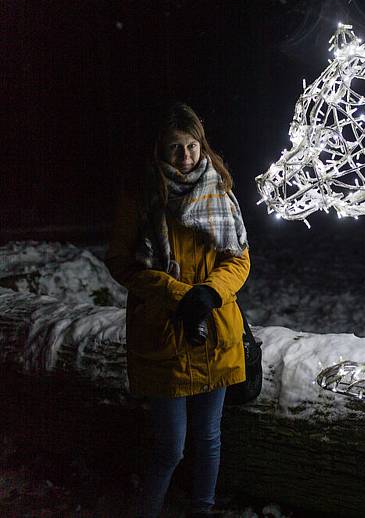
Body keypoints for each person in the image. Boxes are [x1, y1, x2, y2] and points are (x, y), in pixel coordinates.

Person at [106, 102, 250, 516]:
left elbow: (239, 258)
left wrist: (209, 292)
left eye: (191, 147)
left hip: (215, 329)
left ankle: (201, 510)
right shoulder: (141, 196)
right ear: (158, 150)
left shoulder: (219, 189)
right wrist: (175, 293)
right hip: (163, 334)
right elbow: (121, 262)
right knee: (169, 447)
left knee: (208, 438)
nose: (185, 157)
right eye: (175, 149)